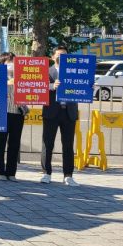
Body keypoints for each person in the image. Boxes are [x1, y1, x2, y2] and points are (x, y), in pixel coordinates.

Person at [41, 46, 80, 186]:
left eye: (64, 55)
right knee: (47, 144)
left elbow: (81, 86)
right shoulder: (46, 71)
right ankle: (46, 173)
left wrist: (89, 87)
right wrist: (52, 86)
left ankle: (68, 175)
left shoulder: (75, 71)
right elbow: (38, 87)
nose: (61, 58)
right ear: (53, 57)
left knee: (68, 145)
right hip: (52, 112)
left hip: (69, 112)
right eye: (59, 55)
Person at [0, 52, 27, 181]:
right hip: (2, 113)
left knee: (14, 143)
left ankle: (11, 172)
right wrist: (8, 83)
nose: (13, 65)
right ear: (3, 64)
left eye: (14, 62)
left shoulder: (23, 77)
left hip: (18, 113)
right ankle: (0, 171)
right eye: (10, 62)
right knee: (0, 143)